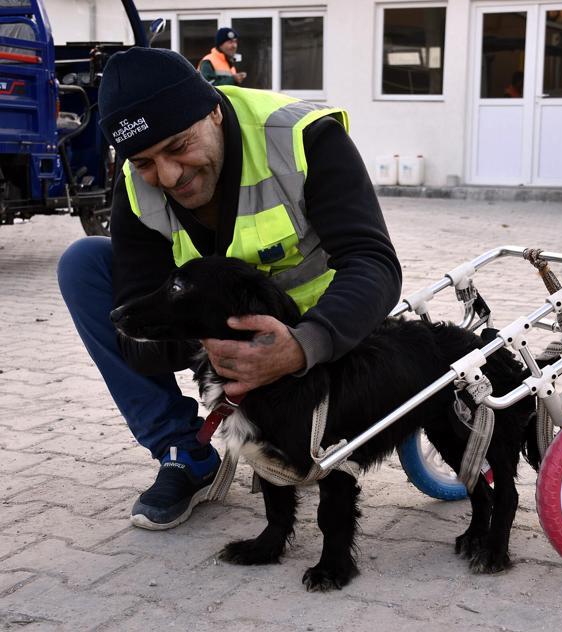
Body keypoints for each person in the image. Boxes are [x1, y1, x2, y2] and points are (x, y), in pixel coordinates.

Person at [57, 47, 402, 531]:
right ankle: (186, 452)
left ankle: (288, 428)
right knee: (84, 264)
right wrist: (218, 345)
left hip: (325, 333)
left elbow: (375, 264)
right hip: (215, 338)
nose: (169, 176)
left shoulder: (302, 138)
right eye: (145, 162)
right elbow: (138, 343)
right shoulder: (136, 190)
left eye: (178, 147)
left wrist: (304, 346)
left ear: (215, 110)